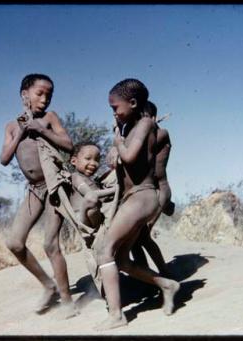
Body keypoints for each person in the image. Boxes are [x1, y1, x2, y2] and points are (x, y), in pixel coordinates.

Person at [94, 79, 180, 331]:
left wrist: (116, 142)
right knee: (120, 259)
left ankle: (117, 316)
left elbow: (129, 156)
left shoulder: (144, 124)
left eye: (115, 108)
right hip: (135, 198)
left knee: (105, 251)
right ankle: (166, 284)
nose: (113, 113)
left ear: (133, 103)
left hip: (143, 196)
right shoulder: (131, 128)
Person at [0, 73, 77, 319]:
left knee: (50, 244)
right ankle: (48, 285)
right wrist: (22, 131)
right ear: (25, 95)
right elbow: (3, 159)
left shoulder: (49, 118)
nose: (45, 99)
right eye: (39, 93)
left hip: (54, 185)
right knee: (14, 242)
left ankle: (67, 302)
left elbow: (68, 145)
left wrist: (41, 129)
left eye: (49, 94)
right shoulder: (12, 126)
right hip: (34, 190)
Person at [131, 101, 174, 277]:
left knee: (142, 236)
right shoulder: (139, 136)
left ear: (154, 118)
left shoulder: (161, 134)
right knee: (135, 238)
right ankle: (146, 277)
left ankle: (166, 275)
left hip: (159, 191)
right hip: (146, 192)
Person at [69, 142, 116, 232]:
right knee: (91, 198)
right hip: (82, 219)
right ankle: (99, 230)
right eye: (88, 158)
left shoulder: (93, 181)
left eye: (97, 160)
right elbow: (90, 194)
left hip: (96, 215)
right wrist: (115, 190)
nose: (93, 163)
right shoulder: (75, 177)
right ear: (74, 161)